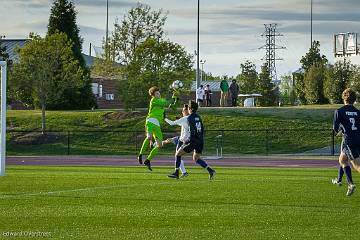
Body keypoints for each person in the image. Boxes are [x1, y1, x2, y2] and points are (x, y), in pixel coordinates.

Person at [168, 100, 216, 180]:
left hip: (193, 141)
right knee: (196, 158)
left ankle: (176, 173)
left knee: (178, 154)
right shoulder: (198, 117)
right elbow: (202, 129)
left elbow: (192, 130)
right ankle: (210, 170)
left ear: (190, 109)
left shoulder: (189, 118)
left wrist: (188, 140)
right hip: (200, 141)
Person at [137, 86, 178, 171]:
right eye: (156, 93)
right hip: (150, 120)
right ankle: (140, 154)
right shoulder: (154, 100)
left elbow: (172, 106)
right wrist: (171, 93)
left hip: (157, 125)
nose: (158, 94)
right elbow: (166, 102)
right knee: (149, 137)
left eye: (159, 93)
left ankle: (148, 160)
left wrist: (175, 97)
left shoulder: (160, 100)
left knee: (160, 145)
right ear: (153, 95)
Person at [333, 88, 360, 196]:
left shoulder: (339, 111)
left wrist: (340, 131)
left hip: (350, 140)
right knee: (342, 159)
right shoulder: (358, 112)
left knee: (357, 165)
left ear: (344, 97)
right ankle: (347, 183)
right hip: (358, 138)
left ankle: (351, 184)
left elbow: (335, 128)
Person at [163, 104, 191, 178]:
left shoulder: (185, 118)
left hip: (183, 140)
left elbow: (171, 123)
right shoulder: (190, 118)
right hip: (185, 139)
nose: (182, 112)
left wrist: (164, 118)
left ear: (186, 111)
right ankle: (183, 172)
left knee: (177, 155)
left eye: (183, 110)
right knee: (178, 156)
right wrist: (179, 120)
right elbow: (184, 125)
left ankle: (179, 172)